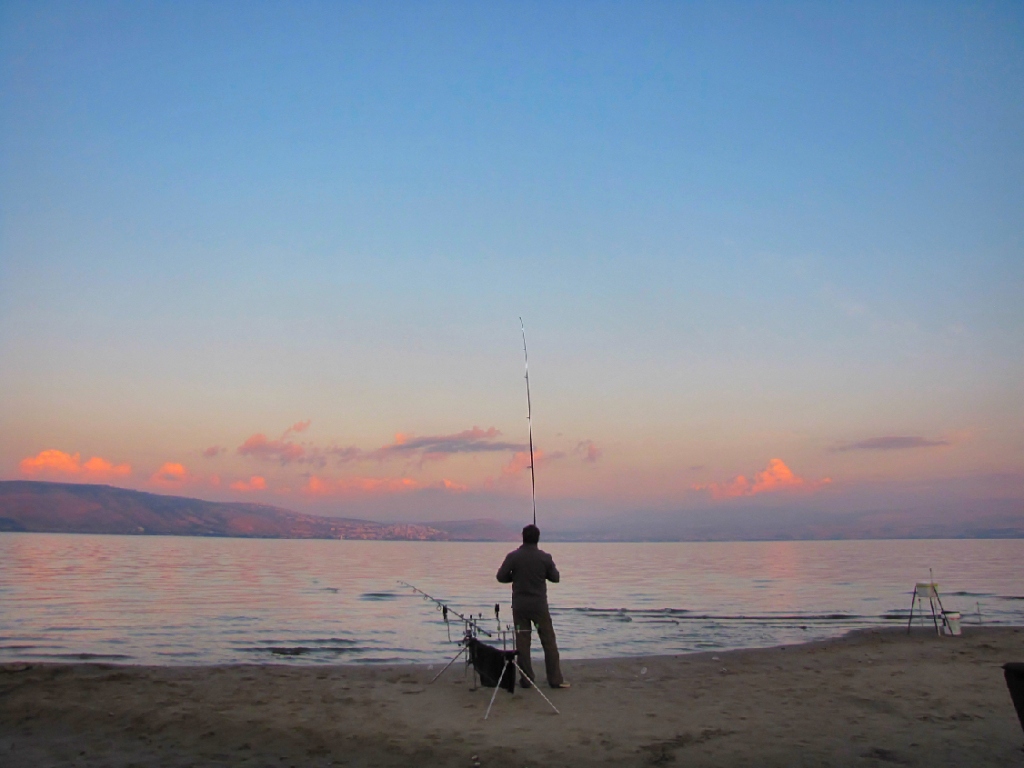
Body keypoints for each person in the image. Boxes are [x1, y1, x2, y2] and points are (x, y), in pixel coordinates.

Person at [495, 524, 569, 689]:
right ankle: (555, 679)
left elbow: (500, 577)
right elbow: (555, 578)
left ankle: (526, 679)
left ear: (523, 537)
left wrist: (515, 578)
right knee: (548, 642)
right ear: (538, 538)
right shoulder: (545, 557)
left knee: (522, 644)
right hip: (539, 607)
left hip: (520, 607)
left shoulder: (513, 556)